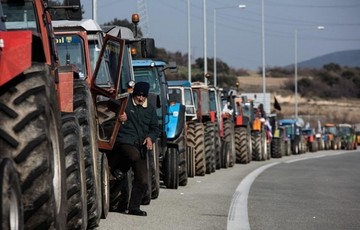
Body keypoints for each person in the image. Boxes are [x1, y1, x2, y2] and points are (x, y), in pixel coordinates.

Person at [107, 81, 159, 216]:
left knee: (142, 180)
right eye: (138, 96)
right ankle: (120, 170)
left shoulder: (151, 109)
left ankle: (134, 208)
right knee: (133, 156)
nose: (140, 99)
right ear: (134, 94)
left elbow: (155, 129)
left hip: (141, 146)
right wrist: (120, 114)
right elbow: (110, 103)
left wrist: (150, 138)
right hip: (124, 141)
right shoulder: (126, 103)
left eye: (143, 96)